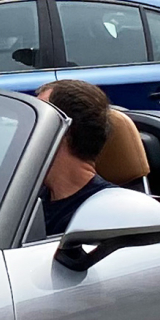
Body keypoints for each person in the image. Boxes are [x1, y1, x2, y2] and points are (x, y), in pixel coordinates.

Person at [34, 79, 114, 234]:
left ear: (60, 132)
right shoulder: (29, 196)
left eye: (38, 119)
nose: (27, 129)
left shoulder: (103, 212)